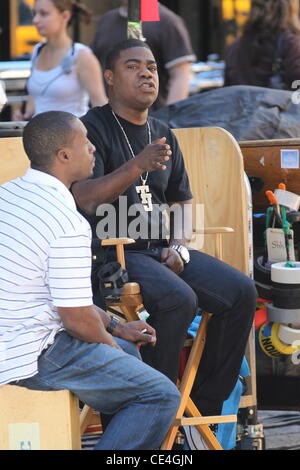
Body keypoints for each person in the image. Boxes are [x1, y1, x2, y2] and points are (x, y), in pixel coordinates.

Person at [72, 39, 257, 448]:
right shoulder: (92, 129)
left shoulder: (162, 131)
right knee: (178, 299)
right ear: (109, 77)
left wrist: (180, 244)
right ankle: (151, 409)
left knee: (241, 291)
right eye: (133, 66)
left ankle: (197, 409)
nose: (146, 73)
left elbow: (182, 199)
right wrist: (136, 165)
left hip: (160, 250)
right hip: (115, 251)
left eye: (152, 67)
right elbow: (84, 197)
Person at [0, 110, 181, 450]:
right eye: (85, 142)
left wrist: (116, 327)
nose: (93, 149)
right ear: (64, 156)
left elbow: (67, 302)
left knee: (129, 347)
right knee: (160, 395)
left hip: (15, 335)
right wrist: (112, 350)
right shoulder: (66, 221)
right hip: (28, 353)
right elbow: (77, 318)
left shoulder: (9, 194)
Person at [91, 0, 196, 109]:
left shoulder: (167, 21)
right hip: (111, 116)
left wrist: (169, 116)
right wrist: (102, 112)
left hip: (152, 116)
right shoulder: (107, 19)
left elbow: (181, 75)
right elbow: (94, 69)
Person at [14, 0, 107, 120]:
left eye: (44, 14)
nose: (35, 20)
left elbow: (99, 103)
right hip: (39, 135)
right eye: (34, 13)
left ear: (65, 16)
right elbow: (35, 98)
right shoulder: (37, 51)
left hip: (72, 135)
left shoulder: (82, 55)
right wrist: (24, 116)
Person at [224, 0, 300, 89]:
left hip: (240, 102)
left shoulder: (234, 47)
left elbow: (228, 89)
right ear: (290, 8)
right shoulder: (291, 44)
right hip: (278, 102)